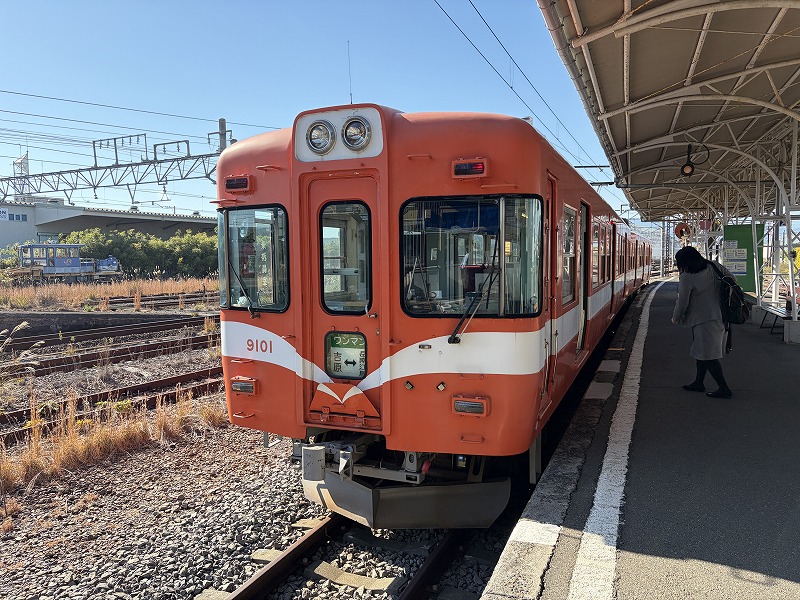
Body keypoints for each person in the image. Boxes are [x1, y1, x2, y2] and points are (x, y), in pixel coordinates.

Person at [671, 246, 734, 398]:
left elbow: (682, 302)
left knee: (709, 356)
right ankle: (698, 383)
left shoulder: (687, 277)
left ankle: (724, 389)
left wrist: (676, 318)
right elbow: (732, 279)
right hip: (720, 316)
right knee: (702, 352)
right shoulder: (714, 266)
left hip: (704, 320)